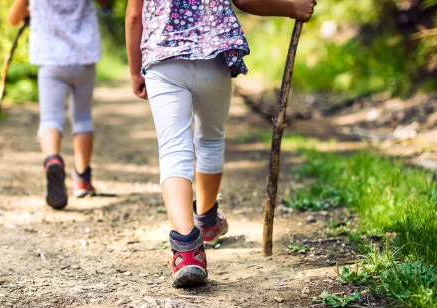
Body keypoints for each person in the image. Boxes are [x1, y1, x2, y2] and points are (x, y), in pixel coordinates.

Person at [125, 0, 317, 287]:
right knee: (210, 139)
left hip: (163, 59)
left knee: (173, 149)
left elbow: (133, 16)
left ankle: (187, 251)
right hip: (211, 57)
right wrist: (292, 7)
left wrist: (134, 71)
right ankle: (206, 220)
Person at [8, 0, 110, 209]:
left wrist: (32, 11)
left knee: (50, 118)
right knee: (82, 118)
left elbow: (13, 18)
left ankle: (53, 160)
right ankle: (82, 180)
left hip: (50, 60)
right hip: (84, 58)